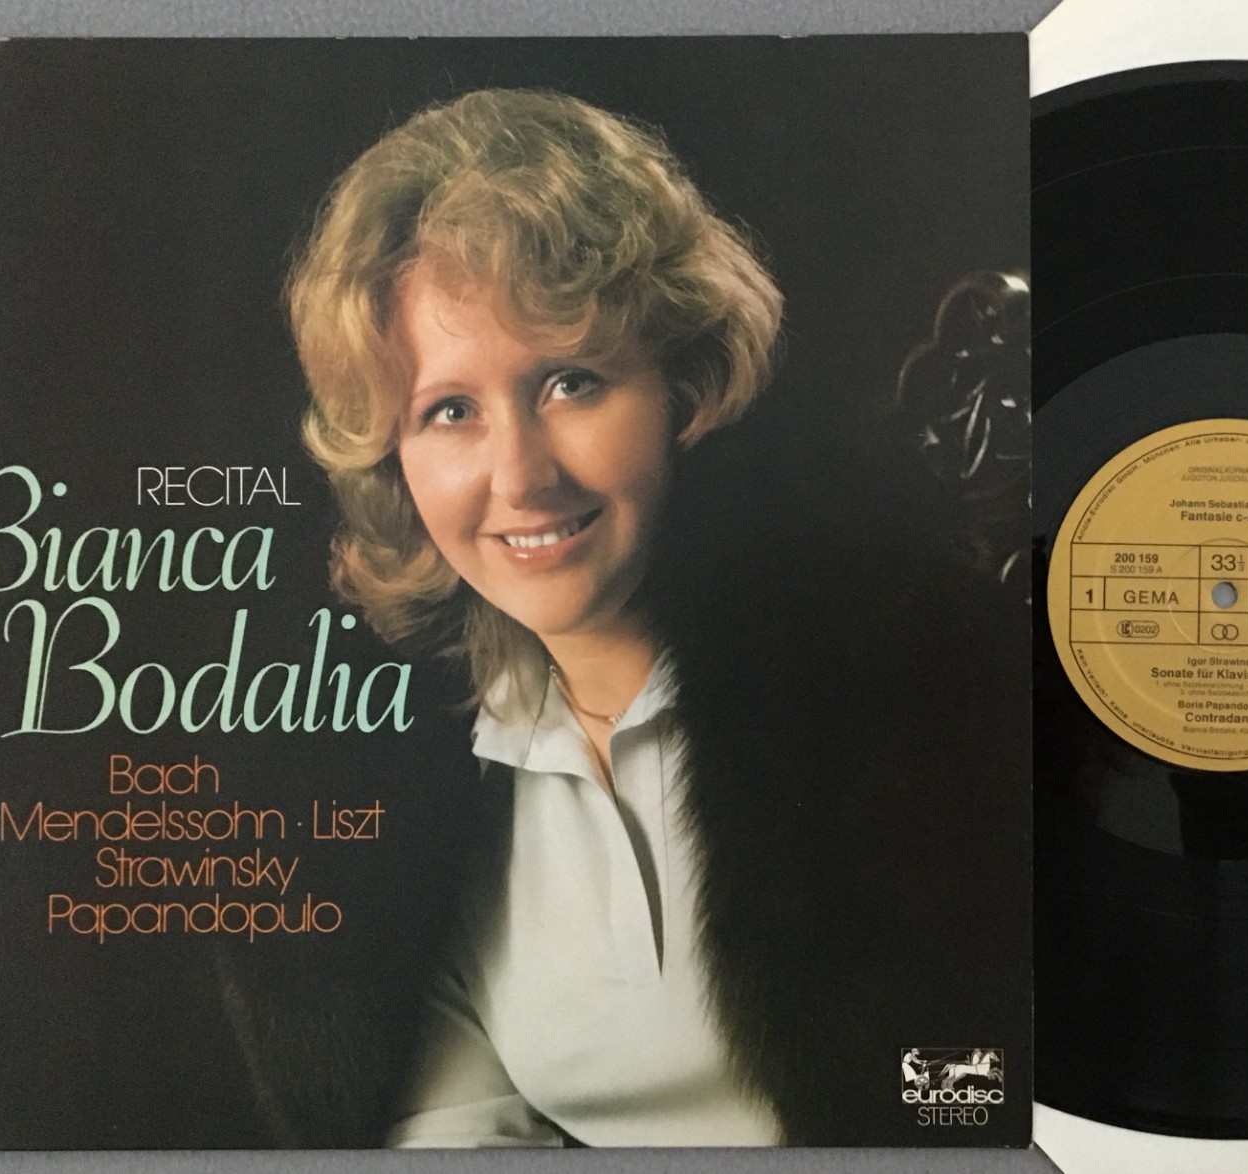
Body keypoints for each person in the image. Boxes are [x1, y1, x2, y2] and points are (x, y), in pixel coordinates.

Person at [261, 88, 1026, 1147]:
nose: (520, 476)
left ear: (683, 384)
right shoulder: (446, 765)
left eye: (572, 382)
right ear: (394, 458)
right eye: (450, 411)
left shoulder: (901, 698)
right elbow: (455, 1127)